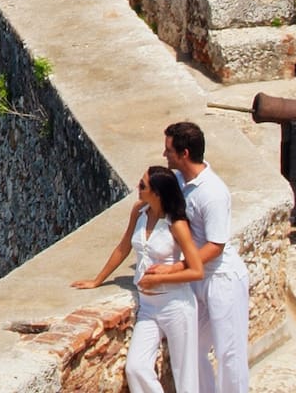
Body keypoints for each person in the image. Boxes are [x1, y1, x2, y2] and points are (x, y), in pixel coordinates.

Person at [71, 165, 205, 393]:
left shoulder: (177, 224)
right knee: (136, 368)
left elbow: (197, 271)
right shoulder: (139, 211)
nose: (137, 188)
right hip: (148, 306)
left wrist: (162, 277)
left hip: (176, 305)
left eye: (143, 185)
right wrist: (97, 280)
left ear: (157, 193)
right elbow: (123, 247)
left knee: (186, 376)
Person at [164, 120, 249, 393]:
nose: (164, 154)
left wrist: (179, 267)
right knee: (192, 347)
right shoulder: (179, 181)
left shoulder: (213, 193)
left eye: (169, 150)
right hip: (198, 279)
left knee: (229, 353)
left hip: (222, 280)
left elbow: (215, 246)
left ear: (184, 153)